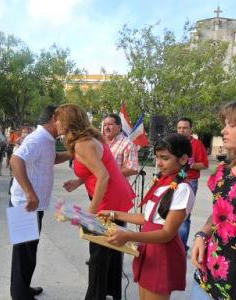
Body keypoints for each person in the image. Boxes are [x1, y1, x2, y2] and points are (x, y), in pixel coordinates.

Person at [100, 133, 194, 300]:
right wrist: (114, 213)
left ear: (183, 159)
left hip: (162, 252)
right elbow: (147, 218)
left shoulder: (183, 189)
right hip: (149, 247)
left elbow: (167, 233)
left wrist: (128, 235)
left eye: (165, 158)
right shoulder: (163, 182)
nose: (159, 163)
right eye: (157, 157)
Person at [57, 103, 135, 300]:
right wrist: (79, 181)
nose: (56, 122)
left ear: (68, 122)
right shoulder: (88, 139)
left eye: (58, 118)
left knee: (99, 253)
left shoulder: (83, 144)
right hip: (115, 195)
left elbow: (103, 176)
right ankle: (111, 293)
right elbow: (93, 165)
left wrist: (89, 215)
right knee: (112, 249)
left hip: (109, 199)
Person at [191, 98, 236, 299]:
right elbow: (220, 212)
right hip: (211, 270)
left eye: (233, 125)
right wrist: (202, 234)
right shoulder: (223, 172)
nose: (224, 130)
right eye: (225, 124)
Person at [10, 105, 69, 300]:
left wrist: (71, 154)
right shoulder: (37, 138)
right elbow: (16, 160)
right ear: (55, 118)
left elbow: (50, 159)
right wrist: (29, 192)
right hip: (24, 205)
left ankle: (24, 288)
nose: (67, 126)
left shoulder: (48, 139)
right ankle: (19, 295)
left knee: (29, 253)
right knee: (23, 255)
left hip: (35, 205)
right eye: (65, 120)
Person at [176, 117, 209, 250]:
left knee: (184, 215)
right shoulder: (173, 143)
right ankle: (172, 243)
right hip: (173, 179)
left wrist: (190, 164)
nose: (181, 130)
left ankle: (181, 247)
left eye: (185, 128)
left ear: (191, 130)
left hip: (190, 181)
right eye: (179, 128)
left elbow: (205, 165)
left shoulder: (197, 144)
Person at [103, 113, 139, 177]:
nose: (106, 128)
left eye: (110, 124)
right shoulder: (100, 142)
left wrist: (108, 174)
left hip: (116, 185)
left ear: (119, 127)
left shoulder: (127, 144)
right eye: (105, 125)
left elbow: (132, 169)